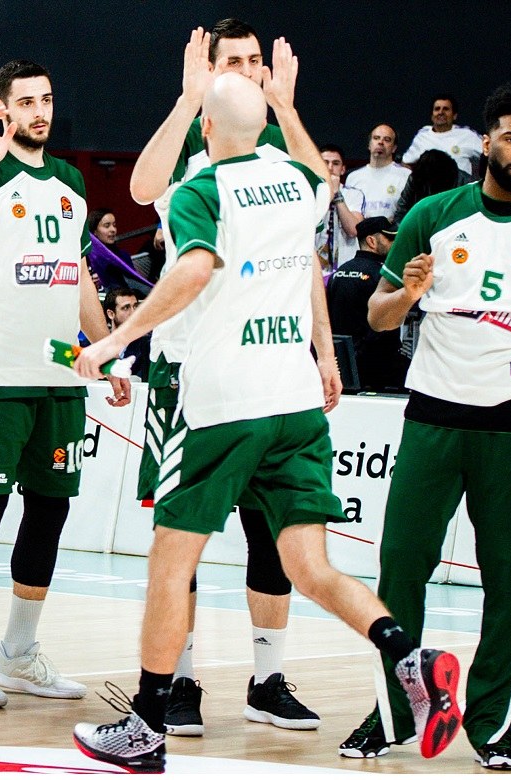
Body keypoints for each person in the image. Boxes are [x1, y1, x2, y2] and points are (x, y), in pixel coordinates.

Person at [71, 70, 463, 773]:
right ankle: (409, 656)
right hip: (296, 403)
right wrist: (285, 100)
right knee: (310, 567)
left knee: (170, 564)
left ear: (207, 129)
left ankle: (146, 726)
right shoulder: (298, 180)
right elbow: (318, 195)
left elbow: (193, 268)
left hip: (226, 404)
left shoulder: (200, 191)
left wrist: (114, 340)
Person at [346, 80, 511, 771]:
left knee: (509, 580)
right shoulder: (432, 215)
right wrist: (408, 293)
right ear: (487, 141)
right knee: (401, 567)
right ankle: (391, 714)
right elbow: (376, 316)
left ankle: (492, 726)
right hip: (433, 414)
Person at [125, 22, 337, 733]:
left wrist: (324, 351)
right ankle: (176, 681)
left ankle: (267, 678)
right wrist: (188, 101)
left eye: (255, 61)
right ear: (210, 69)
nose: (249, 71)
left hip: (269, 369)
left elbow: (304, 258)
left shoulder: (276, 153)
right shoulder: (196, 147)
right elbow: (141, 187)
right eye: (235, 62)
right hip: (188, 369)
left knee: (270, 534)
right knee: (180, 538)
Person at [0, 57, 126, 709]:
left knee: (49, 511)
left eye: (45, 99)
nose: (40, 111)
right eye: (26, 102)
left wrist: (105, 349)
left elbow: (75, 274)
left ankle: (17, 653)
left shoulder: (70, 181)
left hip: (58, 377)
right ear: (2, 110)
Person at [327, 216, 406, 392]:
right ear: (371, 241)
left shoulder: (338, 273)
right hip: (380, 371)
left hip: (343, 368)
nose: (395, 243)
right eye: (390, 238)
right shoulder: (385, 277)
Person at [403, 94, 484, 176]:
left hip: (460, 183)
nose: (441, 112)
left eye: (446, 109)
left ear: (454, 116)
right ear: (432, 116)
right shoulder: (422, 136)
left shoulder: (467, 135)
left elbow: (489, 152)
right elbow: (406, 163)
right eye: (437, 109)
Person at [317, 143, 364, 267]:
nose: (330, 168)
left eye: (336, 163)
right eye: (325, 162)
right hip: (315, 265)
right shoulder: (308, 193)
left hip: (345, 265)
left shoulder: (354, 194)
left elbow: (353, 230)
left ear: (343, 169)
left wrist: (337, 194)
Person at [351, 124, 411, 219]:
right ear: (369, 145)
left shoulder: (406, 176)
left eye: (387, 140)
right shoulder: (353, 177)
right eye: (376, 138)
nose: (380, 142)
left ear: (394, 148)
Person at [393, 149, 465, 226]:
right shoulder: (416, 177)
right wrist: (407, 230)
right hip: (419, 226)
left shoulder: (463, 182)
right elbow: (401, 212)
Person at [100, 287, 152, 380]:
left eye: (135, 306)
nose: (133, 312)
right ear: (111, 314)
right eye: (126, 308)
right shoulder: (97, 343)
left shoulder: (147, 345)